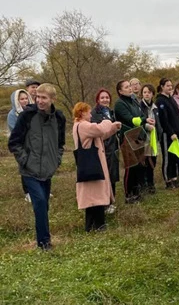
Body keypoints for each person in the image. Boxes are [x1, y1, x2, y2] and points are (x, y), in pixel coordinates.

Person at [8, 83, 66, 251]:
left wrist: (57, 160)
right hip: (29, 170)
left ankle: (43, 237)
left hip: (48, 170)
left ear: (52, 99)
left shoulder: (59, 118)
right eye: (38, 97)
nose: (40, 101)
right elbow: (14, 143)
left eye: (44, 98)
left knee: (44, 204)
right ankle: (44, 243)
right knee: (39, 202)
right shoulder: (27, 116)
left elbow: (60, 143)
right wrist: (25, 160)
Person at [72, 102, 122, 232]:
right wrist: (108, 120)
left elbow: (100, 135)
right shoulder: (83, 125)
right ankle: (99, 225)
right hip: (93, 166)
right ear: (82, 113)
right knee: (96, 197)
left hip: (90, 166)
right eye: (88, 112)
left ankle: (91, 225)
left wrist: (113, 128)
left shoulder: (81, 126)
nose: (90, 114)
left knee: (92, 199)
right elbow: (99, 129)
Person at [114, 80, 154, 203]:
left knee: (139, 165)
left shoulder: (134, 100)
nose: (130, 88)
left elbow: (140, 115)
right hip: (127, 137)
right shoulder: (119, 104)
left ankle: (137, 192)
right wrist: (144, 120)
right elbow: (131, 119)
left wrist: (145, 120)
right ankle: (128, 194)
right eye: (126, 87)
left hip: (138, 135)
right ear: (120, 91)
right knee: (130, 167)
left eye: (129, 86)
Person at [91, 89, 121, 214]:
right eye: (102, 98)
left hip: (113, 147)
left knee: (112, 174)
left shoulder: (110, 112)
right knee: (105, 176)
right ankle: (104, 204)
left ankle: (111, 201)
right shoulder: (94, 113)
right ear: (98, 100)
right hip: (103, 148)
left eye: (107, 97)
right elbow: (97, 131)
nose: (105, 100)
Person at [156, 78, 179, 189]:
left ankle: (174, 178)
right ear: (162, 87)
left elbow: (176, 116)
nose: (170, 87)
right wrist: (171, 132)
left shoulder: (171, 99)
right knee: (167, 157)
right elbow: (164, 120)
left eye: (171, 86)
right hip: (167, 135)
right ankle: (167, 180)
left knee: (174, 157)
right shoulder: (160, 101)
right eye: (167, 85)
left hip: (176, 133)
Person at [7, 89, 33, 202]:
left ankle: (40, 189)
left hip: (33, 144)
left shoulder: (33, 111)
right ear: (17, 101)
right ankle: (27, 192)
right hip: (21, 145)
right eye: (21, 99)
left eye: (26, 98)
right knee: (25, 167)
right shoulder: (12, 115)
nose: (24, 101)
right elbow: (15, 131)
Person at [140, 84, 161, 194]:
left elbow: (158, 121)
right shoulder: (139, 106)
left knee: (153, 161)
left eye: (149, 92)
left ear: (152, 94)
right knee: (146, 162)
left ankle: (151, 183)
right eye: (144, 92)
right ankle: (145, 185)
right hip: (144, 139)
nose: (146, 94)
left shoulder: (155, 107)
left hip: (154, 138)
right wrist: (146, 125)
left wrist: (158, 130)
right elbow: (139, 122)